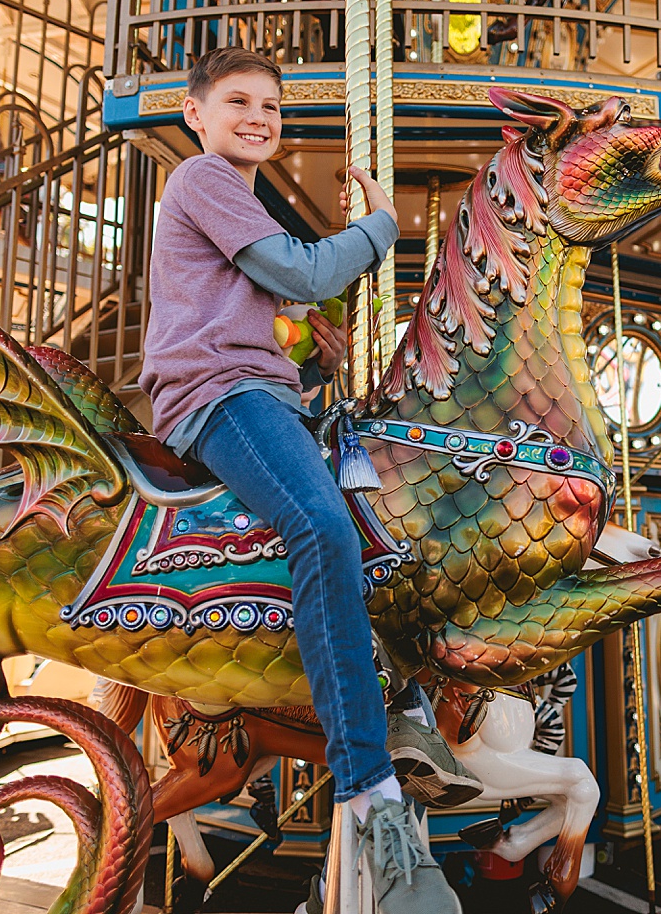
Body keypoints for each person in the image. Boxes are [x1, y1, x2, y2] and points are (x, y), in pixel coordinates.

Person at [138, 47, 474, 914]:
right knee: (322, 527)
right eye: (240, 101)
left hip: (261, 393)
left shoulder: (234, 197)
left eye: (272, 107)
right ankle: (369, 790)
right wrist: (380, 227)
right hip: (218, 398)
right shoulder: (205, 177)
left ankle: (404, 711)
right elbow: (304, 272)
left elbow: (272, 301)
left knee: (384, 530)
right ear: (196, 113)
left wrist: (309, 353)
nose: (258, 117)